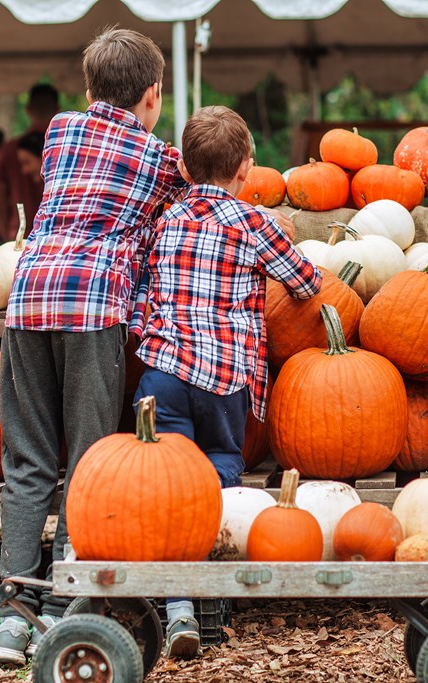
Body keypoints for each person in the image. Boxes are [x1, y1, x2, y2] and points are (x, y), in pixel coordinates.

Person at [0, 27, 187, 667]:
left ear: (89, 88)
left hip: (30, 297)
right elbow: (181, 212)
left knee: (29, 456)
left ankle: (11, 615)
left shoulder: (61, 131)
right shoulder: (161, 159)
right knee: (91, 461)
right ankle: (69, 604)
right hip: (93, 308)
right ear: (153, 95)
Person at [129, 105, 320, 659]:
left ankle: (178, 604)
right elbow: (306, 282)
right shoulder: (253, 221)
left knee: (170, 488)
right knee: (218, 475)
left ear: (185, 170)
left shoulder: (166, 220)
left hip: (162, 374)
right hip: (223, 377)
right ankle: (211, 594)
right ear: (246, 169)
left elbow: (143, 298)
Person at [0, 84, 59, 241]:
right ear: (57, 110)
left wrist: (5, 235)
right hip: (56, 234)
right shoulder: (65, 147)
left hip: (18, 233)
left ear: (28, 110)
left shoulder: (9, 149)